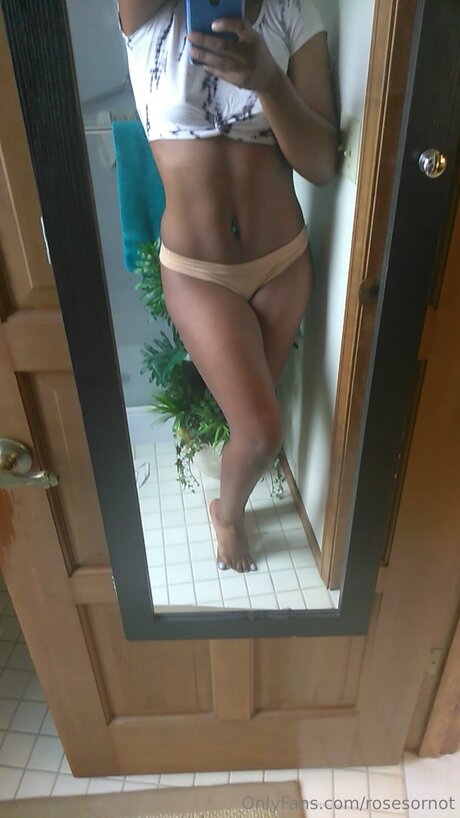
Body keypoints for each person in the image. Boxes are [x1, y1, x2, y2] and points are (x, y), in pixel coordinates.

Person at [118, 0, 338, 574]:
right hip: (198, 273)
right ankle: (228, 514)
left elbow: (322, 164)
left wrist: (269, 81)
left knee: (253, 423)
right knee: (262, 431)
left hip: (283, 262)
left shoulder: (294, 14)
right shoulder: (148, 15)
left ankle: (229, 504)